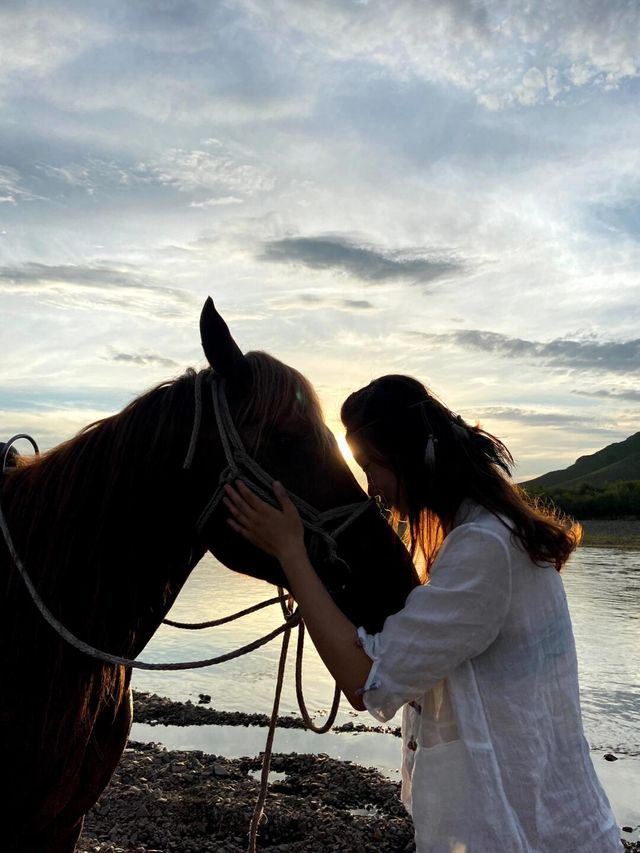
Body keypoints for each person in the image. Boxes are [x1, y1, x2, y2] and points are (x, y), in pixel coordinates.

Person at [223, 374, 623, 853]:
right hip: (539, 824)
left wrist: (292, 553)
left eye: (373, 467)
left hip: (519, 833)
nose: (371, 488)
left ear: (414, 457)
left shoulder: (483, 548)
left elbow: (367, 680)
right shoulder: (491, 533)